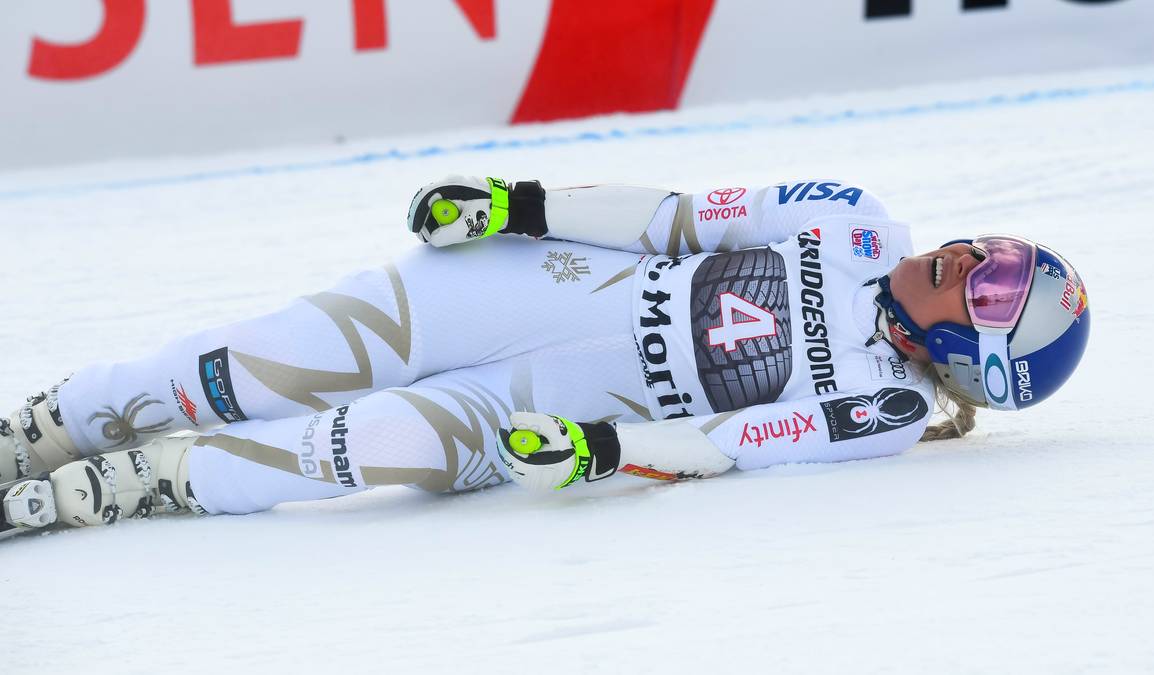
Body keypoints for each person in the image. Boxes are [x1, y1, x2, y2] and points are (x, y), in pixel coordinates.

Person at [0, 176, 1090, 536]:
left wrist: (599, 453)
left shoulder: (883, 411)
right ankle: (52, 426)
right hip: (517, 288)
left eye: (993, 287)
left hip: (534, 403)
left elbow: (730, 441)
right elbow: (674, 219)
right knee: (262, 364)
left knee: (356, 448)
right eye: (995, 251)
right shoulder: (854, 219)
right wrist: (517, 205)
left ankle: (150, 480)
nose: (971, 259)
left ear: (978, 355)